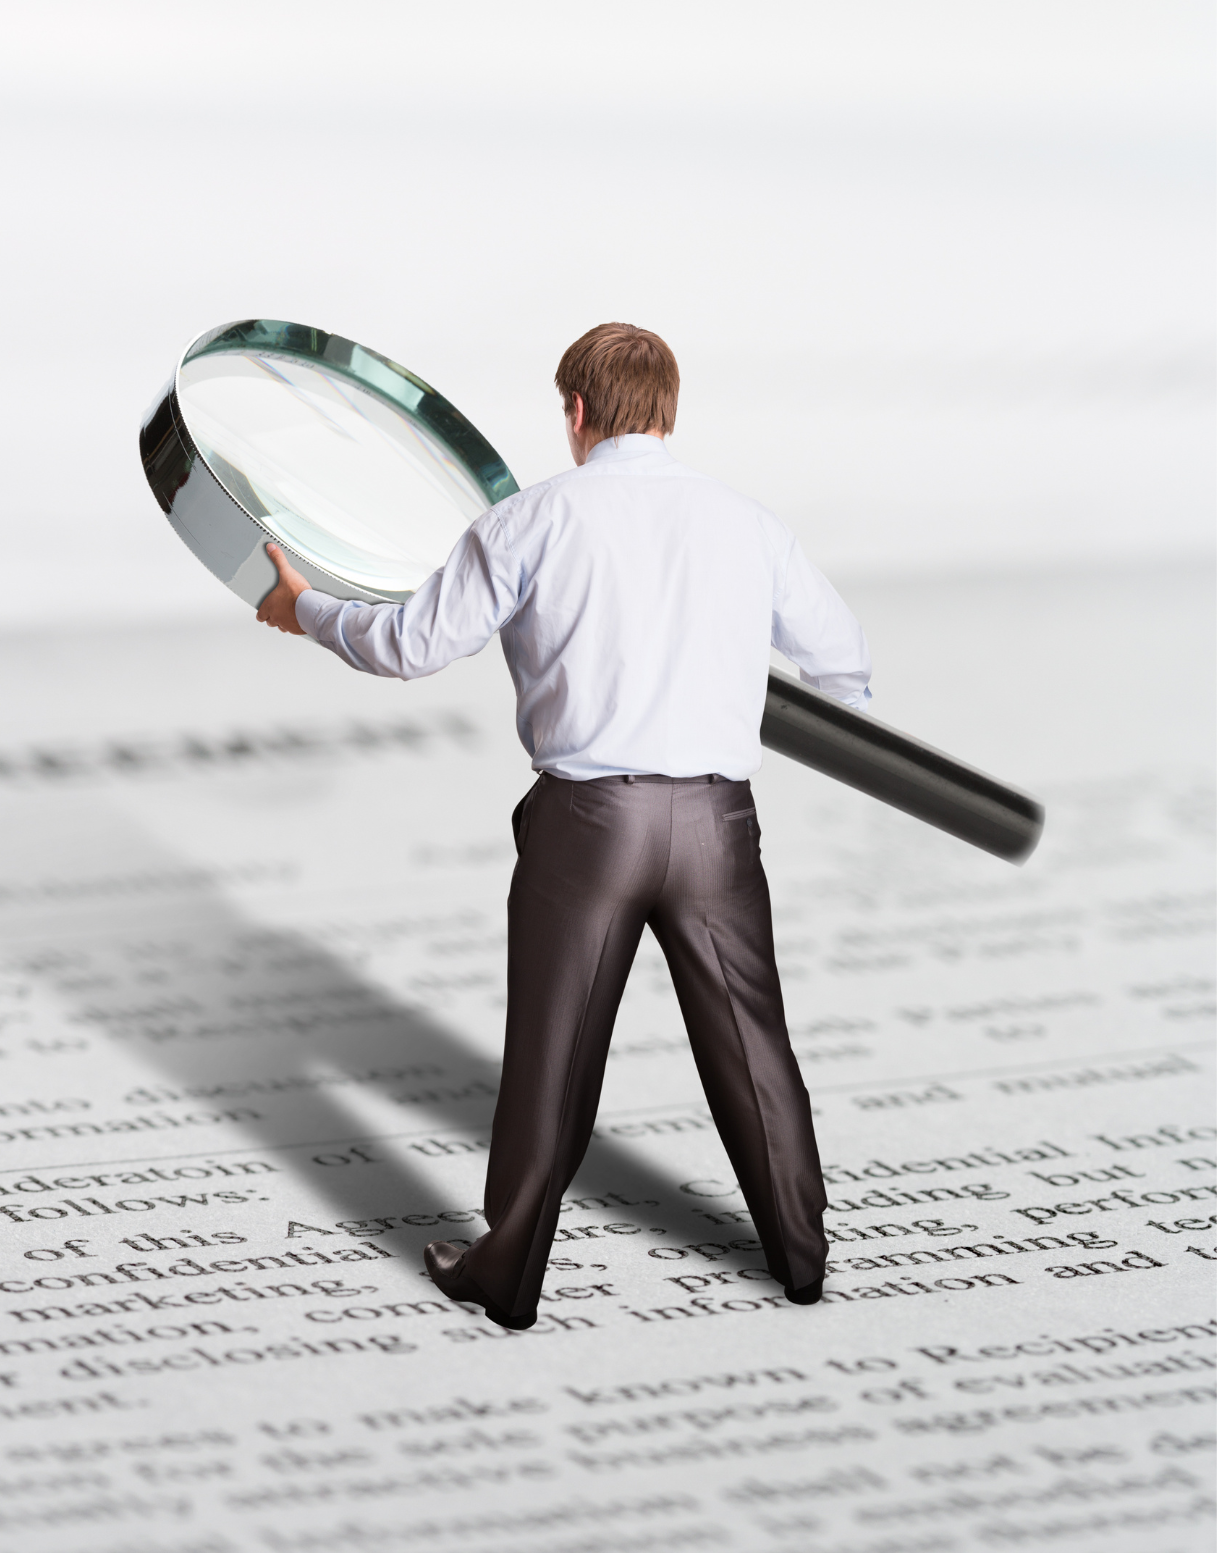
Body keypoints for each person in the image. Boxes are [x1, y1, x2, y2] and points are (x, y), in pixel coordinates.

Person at [256, 322, 871, 1329]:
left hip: (588, 824)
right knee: (754, 1044)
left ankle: (509, 1274)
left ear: (576, 412)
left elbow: (410, 645)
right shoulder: (744, 522)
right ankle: (801, 1258)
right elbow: (843, 662)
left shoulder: (531, 519)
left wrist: (308, 606)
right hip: (718, 821)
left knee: (554, 1051)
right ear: (669, 412)